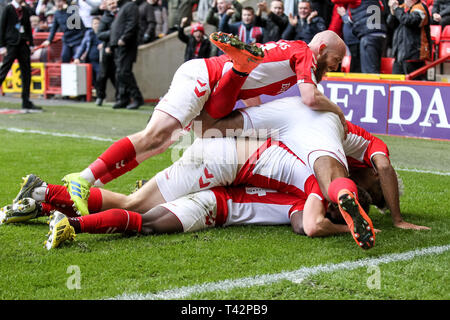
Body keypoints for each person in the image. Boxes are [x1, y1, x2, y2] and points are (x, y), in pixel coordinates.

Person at [61, 30, 347, 218]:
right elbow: (310, 98)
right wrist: (338, 112)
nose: (337, 66)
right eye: (337, 59)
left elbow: (255, 96)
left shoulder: (288, 55)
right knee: (156, 137)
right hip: (204, 78)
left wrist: (253, 131)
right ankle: (84, 179)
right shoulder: (305, 54)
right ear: (322, 48)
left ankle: (239, 64)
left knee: (171, 139)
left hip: (219, 89)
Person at [0, 0, 41, 110]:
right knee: (3, 71)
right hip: (11, 44)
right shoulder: (8, 9)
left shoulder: (25, 10)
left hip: (23, 44)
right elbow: (2, 27)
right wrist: (2, 46)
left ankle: (26, 100)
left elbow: (28, 28)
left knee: (26, 73)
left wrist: (31, 44)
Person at [109, 0, 144, 110]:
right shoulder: (125, 7)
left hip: (126, 45)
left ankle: (137, 98)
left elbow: (132, 23)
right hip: (120, 45)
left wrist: (124, 38)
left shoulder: (130, 6)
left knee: (124, 72)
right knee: (120, 73)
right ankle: (124, 98)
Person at [387, 0, 432, 78]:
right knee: (396, 83)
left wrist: (396, 8)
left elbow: (409, 20)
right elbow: (390, 23)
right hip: (399, 55)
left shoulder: (421, 8)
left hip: (414, 55)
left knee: (414, 84)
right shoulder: (402, 7)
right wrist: (392, 12)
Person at [95, 0, 118, 106]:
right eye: (110, 4)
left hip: (118, 49)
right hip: (107, 50)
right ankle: (100, 96)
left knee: (117, 75)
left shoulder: (121, 14)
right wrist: (113, 32)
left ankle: (120, 97)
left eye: (113, 3)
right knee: (103, 74)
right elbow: (100, 34)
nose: (112, 6)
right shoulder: (105, 18)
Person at [73, 16, 102, 87]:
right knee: (90, 78)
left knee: (100, 78)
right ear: (92, 25)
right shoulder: (89, 33)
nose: (96, 25)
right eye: (95, 23)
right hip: (89, 60)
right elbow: (82, 46)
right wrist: (77, 57)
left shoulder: (103, 34)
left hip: (99, 61)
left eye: (98, 23)